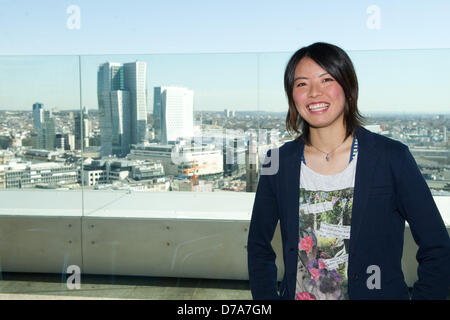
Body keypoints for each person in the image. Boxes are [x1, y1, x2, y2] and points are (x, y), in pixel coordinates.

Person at [247, 42, 450, 300]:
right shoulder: (276, 163)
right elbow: (258, 247)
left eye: (326, 80)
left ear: (348, 88)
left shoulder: (391, 158)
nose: (314, 93)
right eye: (302, 84)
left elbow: (437, 246)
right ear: (292, 96)